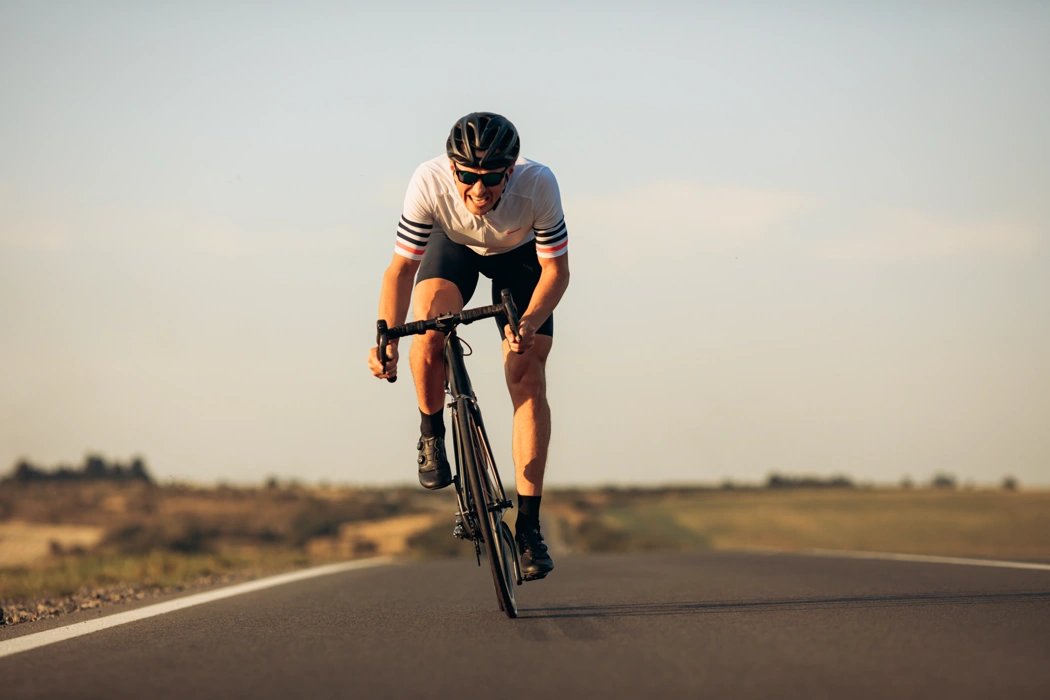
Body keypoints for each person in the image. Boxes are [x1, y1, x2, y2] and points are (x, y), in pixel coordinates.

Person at [368, 112, 569, 580]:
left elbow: (556, 273)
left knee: (527, 370)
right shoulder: (429, 181)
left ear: (511, 171)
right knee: (427, 328)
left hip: (520, 259)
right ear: (452, 169)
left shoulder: (538, 185)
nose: (479, 191)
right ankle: (431, 433)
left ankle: (529, 529)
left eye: (492, 178)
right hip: (453, 245)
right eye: (468, 178)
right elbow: (399, 271)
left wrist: (530, 324)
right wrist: (384, 335)